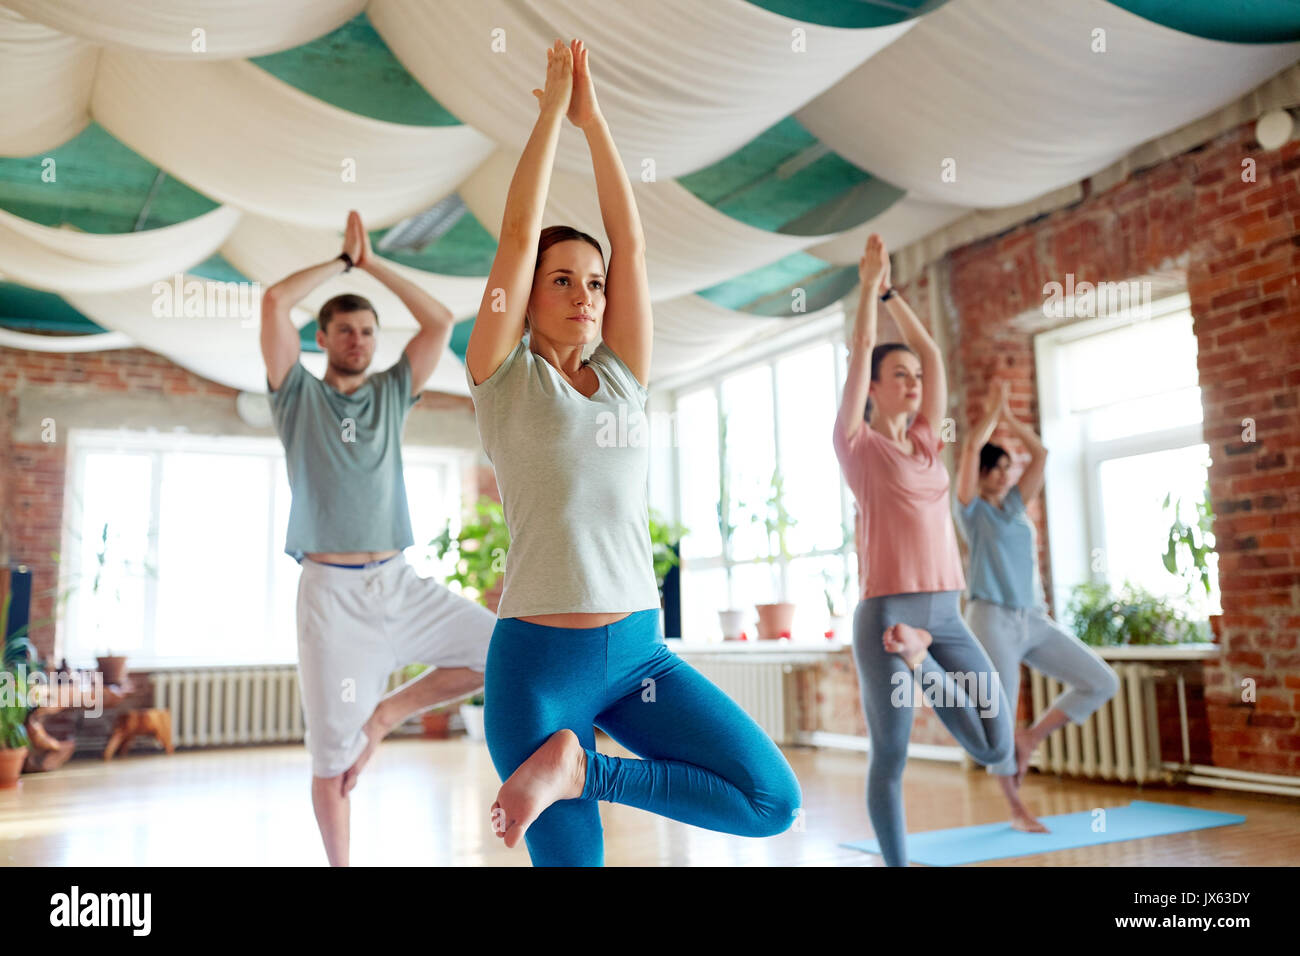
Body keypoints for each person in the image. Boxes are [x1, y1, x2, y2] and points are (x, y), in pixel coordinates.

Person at [464, 39, 802, 867]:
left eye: (594, 283)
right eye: (562, 280)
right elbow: (515, 233)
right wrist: (551, 114)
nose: (585, 295)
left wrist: (597, 118)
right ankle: (565, 765)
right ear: (527, 299)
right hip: (538, 668)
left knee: (771, 802)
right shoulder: (500, 377)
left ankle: (583, 773)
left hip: (640, 655)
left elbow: (634, 245)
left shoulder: (624, 379)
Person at [260, 210, 493, 866]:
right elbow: (275, 301)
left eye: (367, 330)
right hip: (331, 598)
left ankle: (389, 714)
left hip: (399, 582)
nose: (358, 340)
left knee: (501, 651)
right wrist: (341, 263)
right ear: (324, 336)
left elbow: (441, 323)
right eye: (345, 330)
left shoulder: (393, 392)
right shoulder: (295, 397)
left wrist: (373, 265)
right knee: (333, 758)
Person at [832, 232, 1015, 867]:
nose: (913, 384)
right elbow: (860, 347)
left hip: (944, 616)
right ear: (873, 389)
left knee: (996, 742)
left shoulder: (928, 446)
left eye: (914, 379)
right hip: (888, 614)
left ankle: (923, 664)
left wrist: (892, 294)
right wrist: (865, 294)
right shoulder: (858, 446)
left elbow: (935, 355)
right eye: (898, 376)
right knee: (892, 757)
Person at [955, 380, 1119, 832]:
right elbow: (970, 449)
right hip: (990, 618)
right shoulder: (972, 512)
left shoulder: (1013, 507)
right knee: (998, 711)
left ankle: (1031, 738)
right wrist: (990, 417)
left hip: (1034, 618)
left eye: (1009, 469)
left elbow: (1042, 455)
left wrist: (1009, 421)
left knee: (1101, 680)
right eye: (999, 469)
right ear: (984, 474)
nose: (1007, 476)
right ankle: (1016, 809)